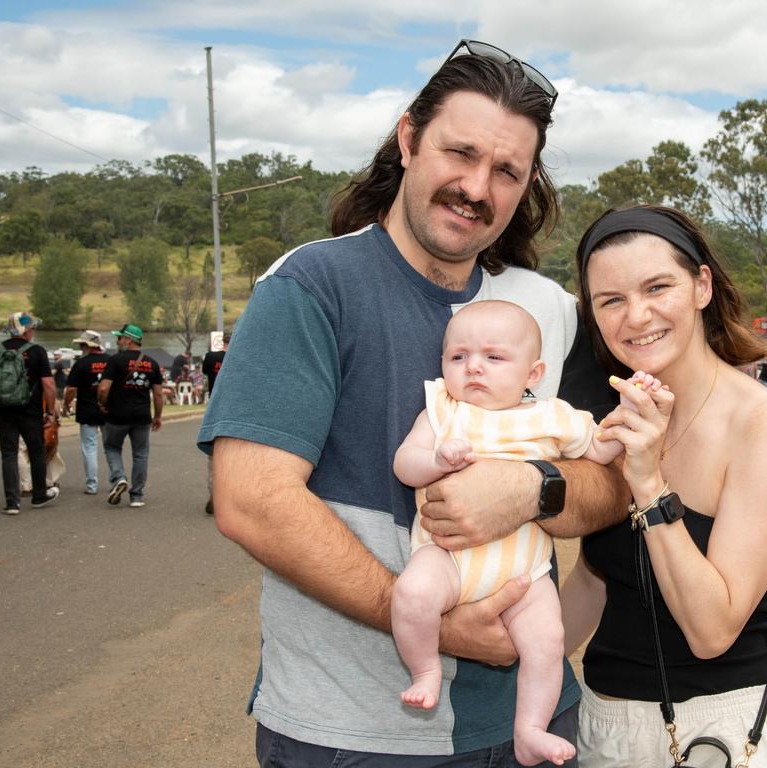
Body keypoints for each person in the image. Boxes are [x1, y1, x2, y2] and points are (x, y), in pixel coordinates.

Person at [198, 39, 628, 767]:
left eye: (506, 172)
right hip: (354, 731)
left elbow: (610, 486)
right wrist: (441, 624)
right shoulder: (310, 286)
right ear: (407, 138)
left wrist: (533, 486)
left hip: (532, 721)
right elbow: (252, 499)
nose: (477, 186)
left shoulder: (546, 311)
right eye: (459, 153)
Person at [562, 205, 767, 767]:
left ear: (701, 286)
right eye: (611, 300)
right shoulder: (614, 416)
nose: (636, 316)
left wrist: (648, 483)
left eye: (657, 287)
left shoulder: (762, 425)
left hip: (716, 730)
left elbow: (712, 628)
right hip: (602, 724)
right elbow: (597, 579)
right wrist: (502, 654)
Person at [392, 302, 621, 766]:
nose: (473, 366)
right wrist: (436, 460)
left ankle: (530, 728)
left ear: (532, 372)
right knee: (413, 594)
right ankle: (426, 670)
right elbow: (404, 463)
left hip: (525, 573)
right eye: (458, 357)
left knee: (547, 641)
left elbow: (599, 450)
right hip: (447, 558)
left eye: (493, 358)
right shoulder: (443, 412)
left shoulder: (554, 416)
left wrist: (627, 420)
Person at [0, 311, 60, 515]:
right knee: (36, 451)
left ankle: (12, 502)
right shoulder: (37, 352)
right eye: (32, 328)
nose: (33, 332)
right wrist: (50, 413)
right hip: (30, 412)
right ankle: (39, 495)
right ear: (27, 330)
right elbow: (48, 384)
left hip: (4, 412)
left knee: (9, 454)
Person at [98, 324, 163, 508]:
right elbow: (158, 394)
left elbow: (103, 388)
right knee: (140, 454)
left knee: (111, 447)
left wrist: (102, 403)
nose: (118, 341)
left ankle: (119, 478)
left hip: (117, 415)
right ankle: (137, 495)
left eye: (120, 338)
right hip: (142, 416)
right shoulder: (152, 363)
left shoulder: (115, 360)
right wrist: (157, 416)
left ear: (128, 340)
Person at [62, 330, 109, 495]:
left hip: (87, 410)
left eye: (82, 344)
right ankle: (116, 481)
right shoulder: (111, 361)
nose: (81, 348)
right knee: (110, 448)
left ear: (88, 345)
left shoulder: (81, 364)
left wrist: (66, 405)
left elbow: (71, 389)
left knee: (89, 448)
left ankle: (92, 485)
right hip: (108, 410)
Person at [202, 332, 230, 515]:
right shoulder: (242, 354)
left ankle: (214, 492)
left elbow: (206, 374)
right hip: (235, 408)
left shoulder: (211, 358)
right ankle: (230, 496)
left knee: (213, 454)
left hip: (215, 406)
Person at [202, 331, 230, 397]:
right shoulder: (233, 357)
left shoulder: (209, 355)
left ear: (223, 342)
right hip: (228, 392)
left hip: (213, 392)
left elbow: (204, 371)